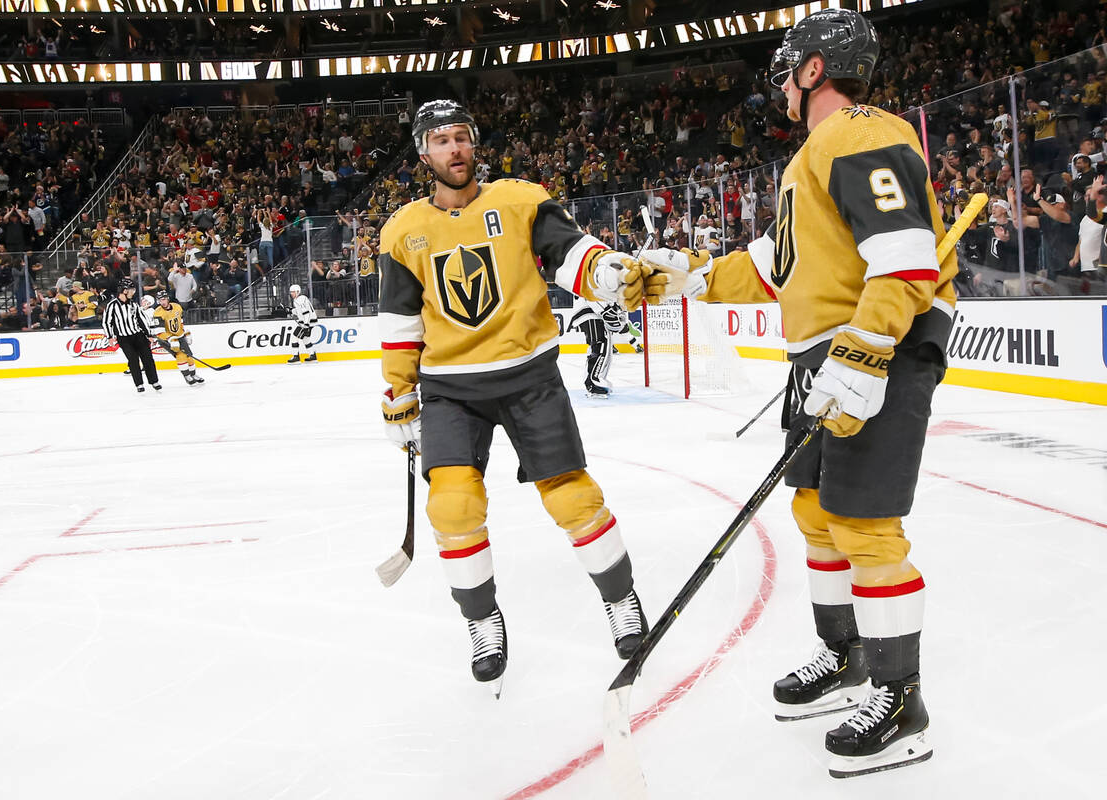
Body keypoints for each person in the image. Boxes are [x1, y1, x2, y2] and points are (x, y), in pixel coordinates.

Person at [642, 9, 949, 777]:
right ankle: (844, 657)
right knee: (816, 514)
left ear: (814, 69)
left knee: (865, 524)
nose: (781, 79)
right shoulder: (811, 157)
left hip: (873, 349)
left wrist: (865, 350)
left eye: (789, 64)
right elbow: (775, 266)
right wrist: (686, 275)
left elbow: (908, 260)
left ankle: (899, 698)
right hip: (825, 353)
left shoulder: (860, 131)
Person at [378, 99, 656, 694]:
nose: (455, 149)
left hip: (530, 376)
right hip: (452, 390)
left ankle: (622, 600)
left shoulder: (521, 199)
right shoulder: (402, 232)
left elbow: (572, 254)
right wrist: (397, 392)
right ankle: (482, 622)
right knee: (452, 508)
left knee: (575, 501)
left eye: (462, 137)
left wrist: (606, 271)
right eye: (441, 140)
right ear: (422, 153)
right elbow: (402, 319)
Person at [101, 277, 161, 394]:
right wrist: (110, 336)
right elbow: (107, 322)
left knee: (148, 358)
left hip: (138, 335)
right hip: (124, 338)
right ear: (124, 291)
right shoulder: (112, 305)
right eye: (131, 290)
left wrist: (148, 334)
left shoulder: (133, 305)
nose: (133, 292)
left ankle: (154, 381)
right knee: (133, 360)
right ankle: (139, 384)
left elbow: (141, 319)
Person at [151, 290, 204, 386]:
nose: (162, 302)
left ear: (168, 299)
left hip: (179, 336)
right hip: (166, 339)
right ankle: (187, 376)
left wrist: (186, 332)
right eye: (160, 300)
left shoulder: (177, 307)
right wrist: (171, 339)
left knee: (189, 356)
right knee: (180, 355)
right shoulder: (158, 313)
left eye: (164, 299)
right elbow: (159, 332)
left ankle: (193, 374)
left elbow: (181, 321)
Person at [568, 298, 614, 397]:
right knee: (598, 346)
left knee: (600, 347)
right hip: (589, 312)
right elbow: (590, 293)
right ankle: (593, 384)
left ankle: (593, 382)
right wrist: (605, 310)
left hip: (593, 313)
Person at [286, 284, 318, 363]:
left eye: (293, 292)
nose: (291, 294)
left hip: (306, 323)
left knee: (294, 337)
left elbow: (306, 313)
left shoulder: (299, 300)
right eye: (291, 292)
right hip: (310, 322)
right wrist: (291, 310)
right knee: (305, 339)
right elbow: (301, 311)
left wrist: (306, 325)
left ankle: (296, 357)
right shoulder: (301, 298)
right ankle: (312, 356)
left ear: (297, 292)